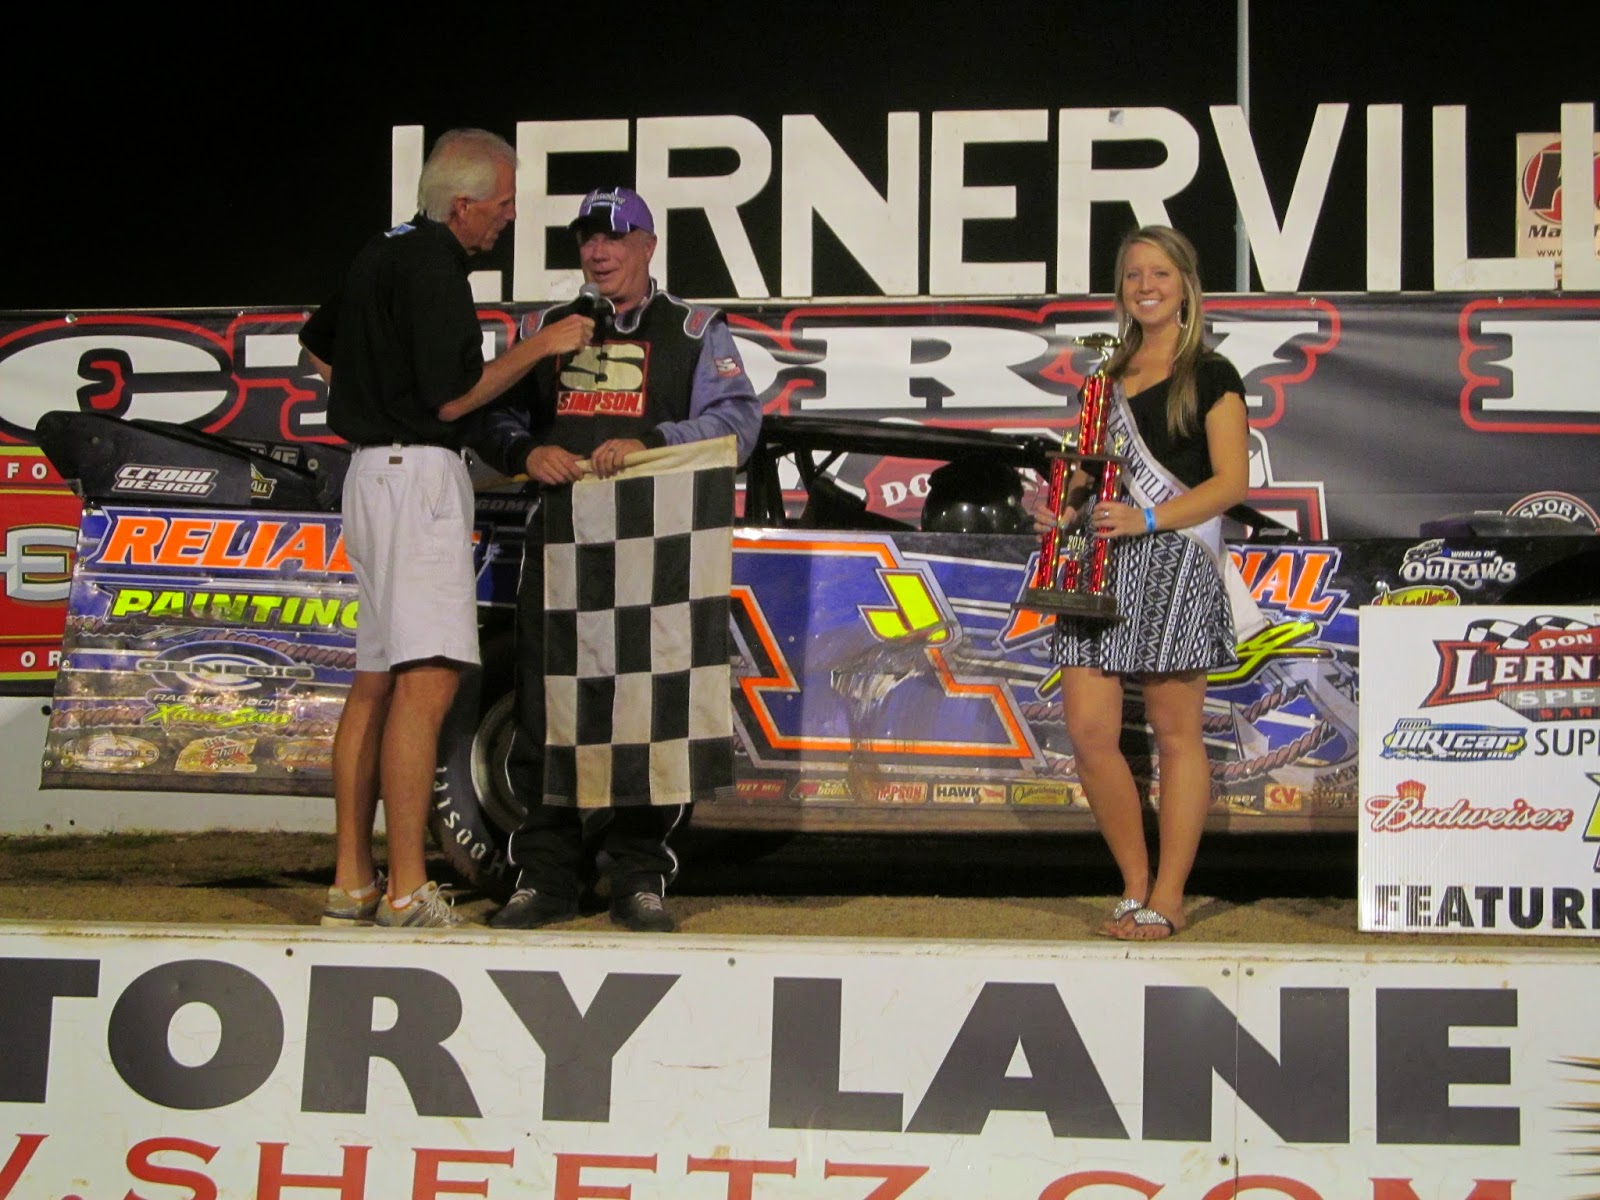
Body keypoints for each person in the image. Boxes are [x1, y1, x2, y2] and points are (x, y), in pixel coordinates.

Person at [301, 129, 594, 928]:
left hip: (369, 474)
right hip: (417, 479)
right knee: (426, 686)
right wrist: (542, 346)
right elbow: (455, 399)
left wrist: (371, 398)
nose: (508, 217)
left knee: (375, 682)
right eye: (503, 204)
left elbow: (317, 342)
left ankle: (353, 882)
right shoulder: (434, 267)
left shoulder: (383, 249)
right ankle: (406, 891)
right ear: (463, 205)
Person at [469, 185, 761, 933]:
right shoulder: (544, 329)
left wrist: (652, 443)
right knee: (547, 712)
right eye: (587, 240)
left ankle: (638, 877)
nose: (599, 253)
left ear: (648, 245)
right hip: (561, 545)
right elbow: (490, 416)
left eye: (615, 238)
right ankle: (545, 877)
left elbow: (739, 423)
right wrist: (526, 452)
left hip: (660, 554)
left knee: (651, 715)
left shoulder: (694, 328)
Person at [1039, 225, 1251, 941]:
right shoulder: (1103, 380)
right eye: (1134, 275)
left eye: (1160, 273)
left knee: (1175, 734)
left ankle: (1170, 894)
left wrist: (1149, 517)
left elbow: (1231, 483)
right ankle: (1133, 882)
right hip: (1098, 561)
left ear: (1186, 284)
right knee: (1088, 732)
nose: (1146, 286)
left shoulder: (1212, 375)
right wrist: (1063, 504)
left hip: (1173, 560)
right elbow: (1089, 476)